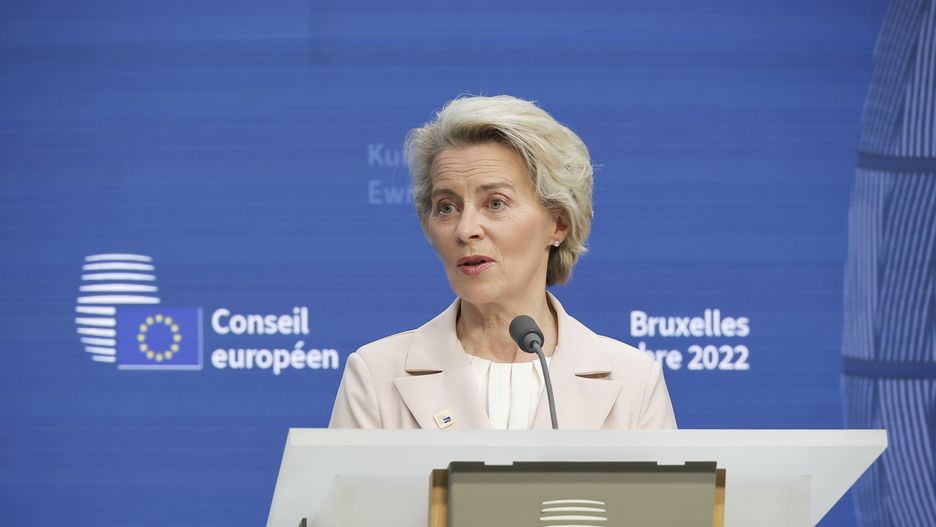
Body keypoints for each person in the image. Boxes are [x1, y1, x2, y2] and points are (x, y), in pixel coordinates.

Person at [329, 95, 676, 430]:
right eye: (446, 207)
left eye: (495, 203)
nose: (465, 230)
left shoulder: (633, 381)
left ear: (558, 223)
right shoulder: (376, 375)